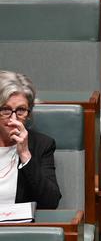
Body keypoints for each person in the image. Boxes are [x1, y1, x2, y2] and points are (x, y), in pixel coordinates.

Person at [0, 70, 61, 209]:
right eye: (5, 110)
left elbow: (51, 202)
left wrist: (25, 155)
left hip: (19, 228)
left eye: (21, 110)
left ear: (29, 113)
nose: (13, 119)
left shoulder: (42, 145)